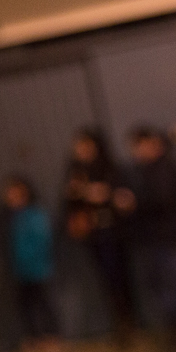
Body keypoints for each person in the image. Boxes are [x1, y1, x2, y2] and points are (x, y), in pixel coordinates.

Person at [63, 129, 137, 338]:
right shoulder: (75, 173)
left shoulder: (111, 169)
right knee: (107, 281)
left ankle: (130, 322)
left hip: (115, 232)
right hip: (93, 235)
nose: (81, 151)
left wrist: (106, 195)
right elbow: (70, 204)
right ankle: (121, 323)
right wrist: (78, 194)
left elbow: (125, 199)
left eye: (86, 146)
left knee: (121, 277)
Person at [130, 127, 176, 352]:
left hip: (170, 237)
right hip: (153, 239)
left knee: (172, 288)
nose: (138, 150)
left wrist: (135, 203)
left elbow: (165, 200)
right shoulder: (141, 171)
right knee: (161, 288)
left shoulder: (166, 168)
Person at [2, 177, 61, 352]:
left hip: (38, 268)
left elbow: (42, 241)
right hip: (20, 270)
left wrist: (36, 261)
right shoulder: (11, 218)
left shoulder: (35, 215)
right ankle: (34, 339)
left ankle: (53, 337)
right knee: (25, 306)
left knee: (44, 303)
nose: (11, 198)